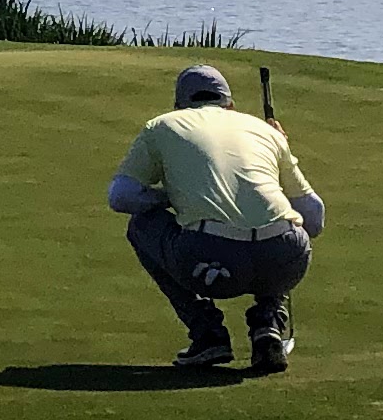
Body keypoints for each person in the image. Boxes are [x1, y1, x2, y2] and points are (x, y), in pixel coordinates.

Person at [106, 61, 322, 375]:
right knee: (280, 226)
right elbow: (314, 218)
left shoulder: (162, 125)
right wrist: (279, 157)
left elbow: (120, 196)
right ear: (230, 105)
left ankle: (207, 333)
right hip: (286, 257)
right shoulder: (266, 132)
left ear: (179, 105)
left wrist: (171, 196)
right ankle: (268, 325)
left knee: (142, 225)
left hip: (209, 260)